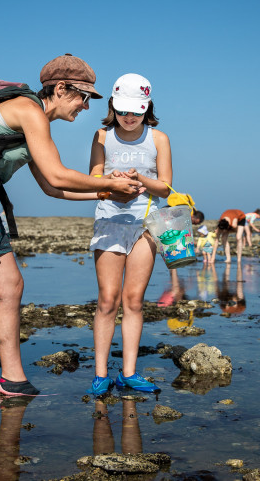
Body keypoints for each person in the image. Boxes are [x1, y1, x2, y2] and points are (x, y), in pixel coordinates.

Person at [0, 54, 142, 415]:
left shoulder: (36, 122)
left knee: (10, 287)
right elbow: (59, 175)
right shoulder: (26, 110)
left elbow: (52, 187)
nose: (86, 106)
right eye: (84, 96)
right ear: (61, 88)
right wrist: (108, 182)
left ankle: (12, 379)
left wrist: (104, 192)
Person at [87, 73, 171, 395]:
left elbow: (164, 185)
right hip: (109, 223)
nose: (129, 117)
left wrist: (140, 179)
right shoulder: (101, 135)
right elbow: (93, 178)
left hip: (147, 226)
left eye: (136, 111)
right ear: (113, 105)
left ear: (146, 107)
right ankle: (99, 374)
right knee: (107, 299)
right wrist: (112, 180)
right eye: (123, 110)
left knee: (133, 300)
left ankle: (129, 373)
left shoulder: (159, 139)